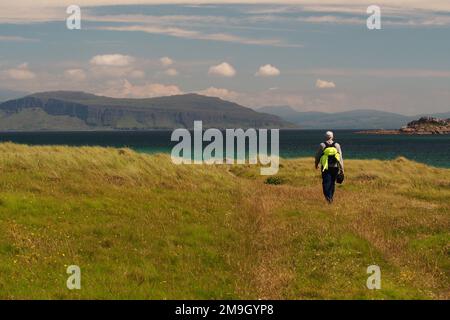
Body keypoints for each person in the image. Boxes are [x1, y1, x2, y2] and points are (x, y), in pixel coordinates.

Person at [315, 131, 344, 203]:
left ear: (325, 137)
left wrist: (316, 164)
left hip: (325, 167)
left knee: (325, 183)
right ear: (332, 137)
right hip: (335, 167)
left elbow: (317, 156)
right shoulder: (337, 145)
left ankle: (328, 198)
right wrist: (342, 169)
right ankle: (331, 197)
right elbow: (340, 158)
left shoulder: (322, 145)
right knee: (332, 183)